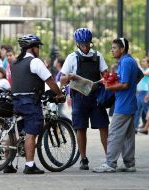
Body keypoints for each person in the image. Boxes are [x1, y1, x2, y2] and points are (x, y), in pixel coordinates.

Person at [11, 34, 65, 174]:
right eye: (38, 46)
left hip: (16, 101)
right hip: (29, 101)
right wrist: (59, 94)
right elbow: (50, 81)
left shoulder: (15, 63)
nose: (39, 49)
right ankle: (29, 165)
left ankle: (8, 163)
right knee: (32, 132)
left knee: (17, 133)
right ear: (33, 48)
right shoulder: (35, 62)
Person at [60, 28, 109, 170]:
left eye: (87, 43)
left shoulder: (98, 55)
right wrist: (69, 77)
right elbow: (61, 78)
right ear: (77, 44)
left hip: (96, 97)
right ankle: (83, 159)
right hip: (79, 97)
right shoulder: (71, 57)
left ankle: (109, 157)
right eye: (82, 44)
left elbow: (106, 74)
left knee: (103, 126)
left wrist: (104, 79)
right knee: (80, 128)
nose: (85, 47)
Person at [93, 37, 143, 173]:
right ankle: (129, 163)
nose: (112, 50)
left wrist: (109, 87)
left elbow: (125, 84)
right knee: (127, 136)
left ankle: (110, 163)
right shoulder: (130, 61)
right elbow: (140, 75)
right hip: (129, 104)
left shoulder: (126, 62)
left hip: (123, 106)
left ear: (122, 49)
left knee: (114, 134)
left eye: (114, 48)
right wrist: (131, 87)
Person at [134, 57, 149, 133]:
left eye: (144, 61)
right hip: (139, 93)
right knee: (137, 111)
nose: (142, 63)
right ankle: (134, 128)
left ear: (148, 63)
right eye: (142, 61)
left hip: (145, 92)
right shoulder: (142, 69)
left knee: (148, 111)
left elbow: (143, 74)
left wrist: (137, 63)